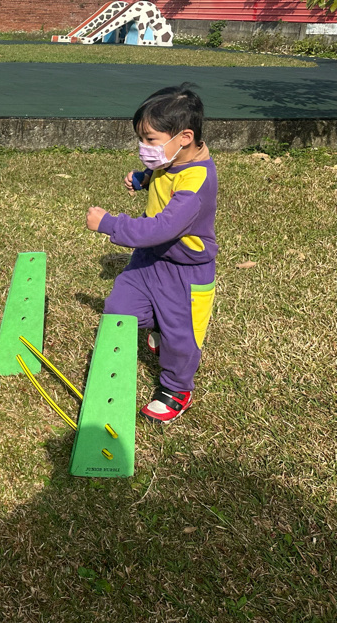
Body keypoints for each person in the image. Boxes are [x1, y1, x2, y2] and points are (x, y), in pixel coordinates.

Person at [85, 84, 218, 425]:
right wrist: (144, 178)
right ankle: (157, 322)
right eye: (141, 139)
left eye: (149, 140)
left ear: (185, 137)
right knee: (120, 310)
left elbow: (161, 228)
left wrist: (110, 224)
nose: (143, 147)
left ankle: (176, 389)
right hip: (148, 260)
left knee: (181, 339)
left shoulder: (196, 182)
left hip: (185, 273)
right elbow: (163, 174)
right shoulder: (173, 158)